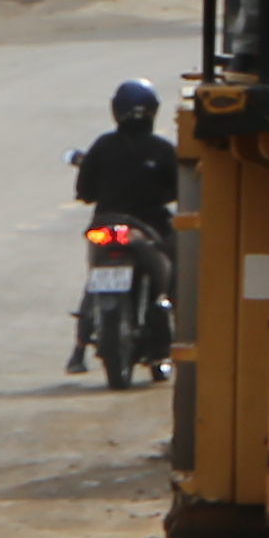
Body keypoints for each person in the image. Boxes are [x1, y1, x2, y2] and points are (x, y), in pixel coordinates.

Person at [67, 76, 179, 368]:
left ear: (115, 110)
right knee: (176, 272)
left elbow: (84, 192)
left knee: (93, 278)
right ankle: (175, 335)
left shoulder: (102, 147)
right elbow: (180, 190)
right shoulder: (163, 150)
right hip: (148, 231)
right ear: (153, 111)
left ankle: (79, 348)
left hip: (105, 228)